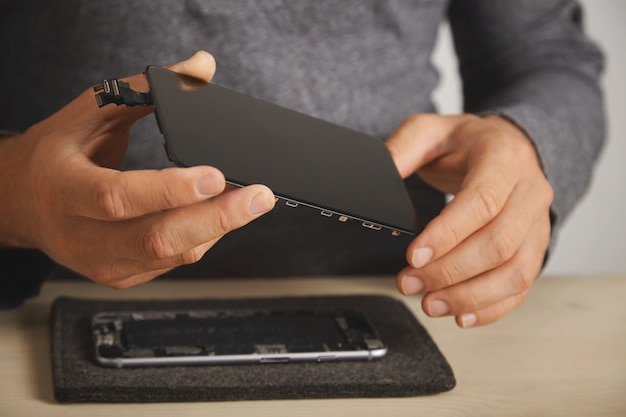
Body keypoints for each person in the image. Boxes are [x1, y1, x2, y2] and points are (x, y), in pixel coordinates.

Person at [0, 1, 605, 328]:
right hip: (40, 309)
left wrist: (529, 142)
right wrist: (13, 192)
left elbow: (546, 55)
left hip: (401, 301)